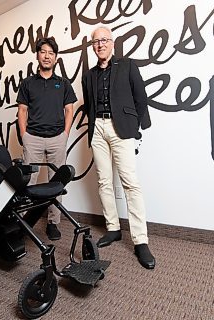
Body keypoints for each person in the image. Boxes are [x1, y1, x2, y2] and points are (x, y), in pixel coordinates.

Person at [81, 26, 155, 269]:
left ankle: (140, 240)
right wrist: (93, 130)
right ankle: (113, 228)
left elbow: (141, 99)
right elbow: (89, 105)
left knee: (129, 182)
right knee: (103, 181)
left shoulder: (128, 66)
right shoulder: (88, 75)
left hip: (120, 127)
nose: (100, 44)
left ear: (112, 43)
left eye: (104, 40)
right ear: (92, 47)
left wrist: (134, 128)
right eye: (96, 41)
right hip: (98, 129)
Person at [16, 37, 77, 240]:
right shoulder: (28, 83)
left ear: (56, 57)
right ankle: (23, 221)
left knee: (56, 183)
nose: (47, 56)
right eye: (43, 52)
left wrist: (65, 134)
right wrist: (24, 135)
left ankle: (53, 223)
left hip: (56, 139)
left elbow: (70, 109)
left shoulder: (63, 84)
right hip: (32, 138)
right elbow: (22, 110)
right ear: (37, 55)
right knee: (28, 182)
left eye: (51, 53)